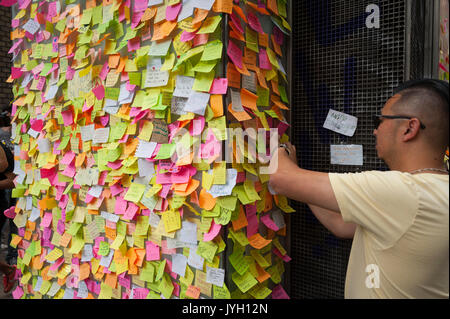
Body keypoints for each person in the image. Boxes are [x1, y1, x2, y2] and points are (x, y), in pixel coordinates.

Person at [269, 79, 449, 299]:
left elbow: (279, 179)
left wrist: (279, 148)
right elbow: (341, 225)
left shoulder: (404, 191)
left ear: (409, 128)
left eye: (379, 120)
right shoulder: (434, 190)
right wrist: (300, 182)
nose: (374, 131)